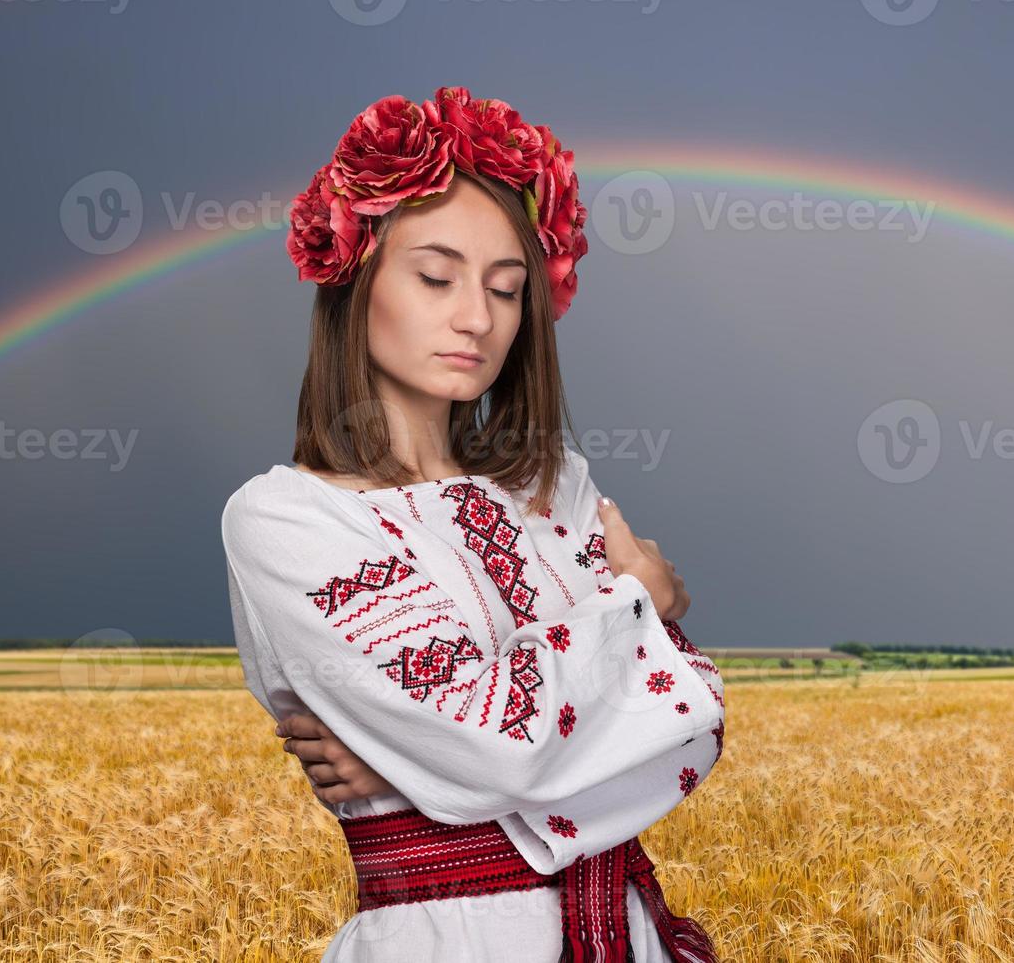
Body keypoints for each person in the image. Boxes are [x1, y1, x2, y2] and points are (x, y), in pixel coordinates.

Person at [219, 87, 726, 962]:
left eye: (506, 288)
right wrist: (638, 604)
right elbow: (496, 743)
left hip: (624, 934)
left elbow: (695, 726)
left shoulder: (555, 486)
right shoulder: (287, 519)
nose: (477, 317)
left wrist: (407, 765)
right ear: (356, 278)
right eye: (435, 276)